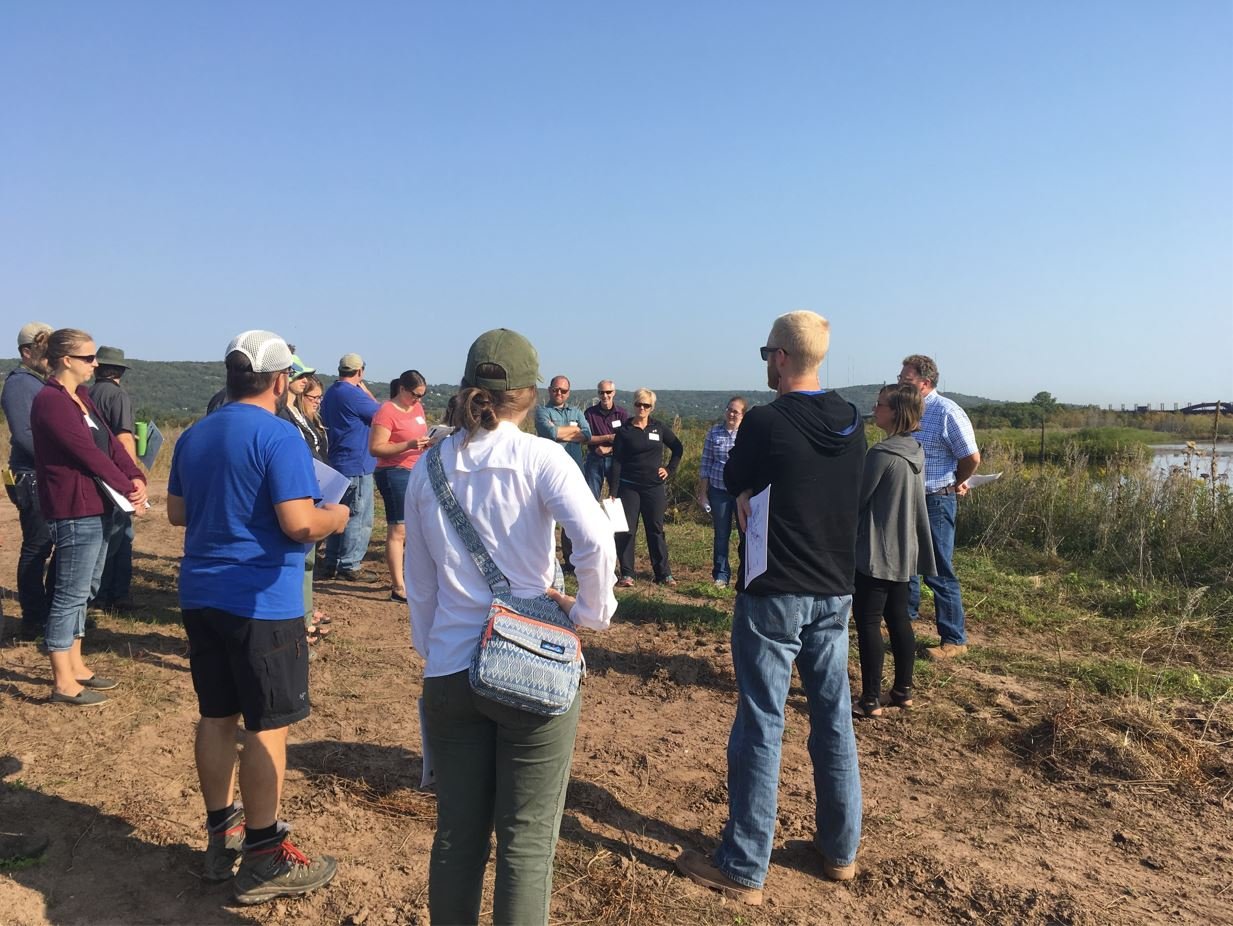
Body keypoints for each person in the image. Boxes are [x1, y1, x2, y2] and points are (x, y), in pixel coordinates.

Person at [404, 328, 617, 926]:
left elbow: (419, 583)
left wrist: (434, 648)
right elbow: (596, 541)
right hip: (534, 661)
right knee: (525, 844)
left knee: (456, 838)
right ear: (528, 395)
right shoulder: (541, 457)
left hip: (449, 666)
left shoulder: (428, 470)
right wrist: (588, 616)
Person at [675, 310, 865, 904]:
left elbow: (736, 476)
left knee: (762, 718)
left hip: (774, 589)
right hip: (835, 589)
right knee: (833, 717)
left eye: (766, 354)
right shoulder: (854, 421)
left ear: (780, 356)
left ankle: (743, 864)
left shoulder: (764, 421)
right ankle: (839, 852)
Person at [167, 330, 349, 904]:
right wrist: (336, 517)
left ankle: (222, 837)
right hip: (262, 602)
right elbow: (298, 523)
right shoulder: (281, 435)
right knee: (267, 726)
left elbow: (176, 513)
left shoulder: (195, 435)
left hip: (201, 593)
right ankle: (266, 855)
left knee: (216, 716)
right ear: (279, 381)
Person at [30, 329, 147, 706]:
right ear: (66, 360)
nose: (95, 365)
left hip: (98, 505)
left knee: (85, 588)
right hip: (73, 507)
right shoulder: (51, 401)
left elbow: (110, 444)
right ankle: (63, 681)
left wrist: (136, 475)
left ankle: (77, 665)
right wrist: (128, 487)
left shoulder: (80, 397)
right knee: (69, 592)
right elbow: (86, 454)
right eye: (88, 358)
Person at [852, 384, 936, 718]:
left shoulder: (882, 454)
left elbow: (858, 499)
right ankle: (903, 690)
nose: (875, 409)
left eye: (880, 404)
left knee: (869, 621)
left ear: (897, 412)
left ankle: (870, 699)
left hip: (875, 551)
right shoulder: (915, 451)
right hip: (904, 550)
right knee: (899, 618)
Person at [898, 354, 981, 659]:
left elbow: (971, 457)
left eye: (905, 380)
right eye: (899, 379)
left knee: (938, 569)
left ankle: (954, 639)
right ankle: (904, 621)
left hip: (936, 500)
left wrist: (956, 481)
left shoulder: (947, 412)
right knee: (906, 565)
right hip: (908, 499)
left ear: (925, 382)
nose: (900, 384)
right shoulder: (907, 412)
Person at [3, 321, 56, 641]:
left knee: (47, 544)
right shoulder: (21, 384)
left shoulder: (36, 382)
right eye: (44, 351)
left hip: (40, 474)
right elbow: (25, 436)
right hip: (32, 475)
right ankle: (33, 618)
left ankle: (46, 612)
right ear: (27, 353)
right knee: (37, 547)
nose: (51, 357)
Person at [278, 358, 330, 640]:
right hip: (296, 495)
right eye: (298, 375)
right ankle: (298, 622)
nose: (304, 380)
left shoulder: (296, 412)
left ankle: (304, 615)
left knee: (306, 562)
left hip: (312, 491)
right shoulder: (281, 415)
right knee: (298, 561)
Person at [610, 388, 683, 587]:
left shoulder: (658, 428)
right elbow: (616, 461)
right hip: (629, 487)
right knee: (626, 531)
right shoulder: (624, 431)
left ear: (652, 408)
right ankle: (627, 574)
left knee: (656, 529)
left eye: (646, 405)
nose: (642, 408)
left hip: (654, 488)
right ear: (633, 405)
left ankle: (663, 573)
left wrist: (669, 469)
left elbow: (678, 447)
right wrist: (613, 492)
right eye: (638, 404)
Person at [370, 369, 431, 602]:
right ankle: (398, 587)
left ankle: (412, 579)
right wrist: (409, 444)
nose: (418, 400)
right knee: (399, 529)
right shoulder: (386, 411)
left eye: (422, 395)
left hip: (416, 469)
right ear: (402, 389)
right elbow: (376, 448)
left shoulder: (416, 407)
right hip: (393, 472)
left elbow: (419, 434)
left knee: (416, 527)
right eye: (415, 394)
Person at [88, 345, 140, 613]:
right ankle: (110, 594)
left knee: (111, 534)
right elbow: (123, 436)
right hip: (115, 475)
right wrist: (132, 477)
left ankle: (111, 593)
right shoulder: (117, 396)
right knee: (119, 536)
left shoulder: (85, 394)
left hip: (93, 473)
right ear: (120, 370)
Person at [320, 352, 380, 581]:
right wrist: (366, 392)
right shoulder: (354, 395)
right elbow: (382, 415)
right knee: (359, 517)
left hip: (338, 461)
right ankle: (350, 564)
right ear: (360, 371)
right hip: (357, 463)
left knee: (339, 514)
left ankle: (331, 562)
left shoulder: (332, 393)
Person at [534, 375, 592, 573]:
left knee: (573, 516)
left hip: (574, 469)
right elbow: (549, 434)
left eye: (563, 390)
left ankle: (571, 561)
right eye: (555, 389)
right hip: (548, 471)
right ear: (549, 390)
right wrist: (572, 432)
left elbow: (587, 434)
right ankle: (546, 562)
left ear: (569, 392)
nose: (559, 393)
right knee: (547, 518)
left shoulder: (576, 411)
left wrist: (559, 430)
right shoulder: (542, 411)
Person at [695, 397, 747, 588]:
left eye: (736, 411)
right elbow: (706, 463)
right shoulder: (714, 432)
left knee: (745, 534)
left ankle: (746, 574)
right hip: (718, 491)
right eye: (729, 410)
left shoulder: (747, 434)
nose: (731, 414)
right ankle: (721, 575)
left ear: (743, 414)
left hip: (741, 492)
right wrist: (703, 493)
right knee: (721, 535)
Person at [582, 380, 628, 499]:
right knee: (591, 498)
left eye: (608, 392)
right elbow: (585, 438)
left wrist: (609, 449)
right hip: (594, 458)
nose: (605, 395)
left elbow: (626, 440)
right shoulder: (589, 413)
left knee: (617, 497)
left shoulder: (622, 414)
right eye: (601, 392)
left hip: (616, 460)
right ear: (598, 394)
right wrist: (607, 438)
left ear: (614, 393)